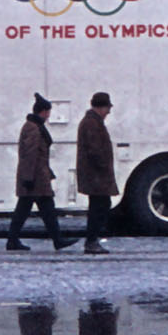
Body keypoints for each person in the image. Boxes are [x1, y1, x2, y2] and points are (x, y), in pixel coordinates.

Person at [6, 93, 77, 251]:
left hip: (36, 177)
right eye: (48, 112)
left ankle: (55, 240)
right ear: (43, 112)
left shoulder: (33, 126)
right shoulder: (33, 128)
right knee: (36, 210)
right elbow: (30, 155)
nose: (49, 116)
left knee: (38, 210)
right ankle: (55, 240)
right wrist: (29, 178)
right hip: (35, 179)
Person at [76, 90, 118, 254]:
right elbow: (95, 150)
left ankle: (93, 239)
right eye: (108, 108)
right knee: (99, 207)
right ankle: (92, 240)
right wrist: (103, 167)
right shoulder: (92, 123)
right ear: (101, 107)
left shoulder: (92, 121)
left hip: (95, 175)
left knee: (100, 205)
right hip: (96, 175)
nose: (109, 112)